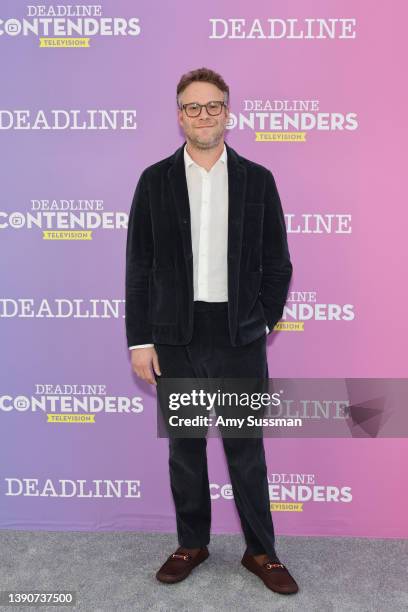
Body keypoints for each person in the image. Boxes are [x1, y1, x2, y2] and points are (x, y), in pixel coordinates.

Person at [125, 67, 298, 595]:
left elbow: (277, 262)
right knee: (185, 447)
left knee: (246, 447)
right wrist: (140, 341)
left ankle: (261, 551)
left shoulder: (257, 179)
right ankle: (192, 543)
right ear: (180, 116)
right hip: (175, 334)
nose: (204, 115)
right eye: (193, 107)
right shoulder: (154, 180)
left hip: (237, 332)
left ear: (227, 111)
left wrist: (261, 320)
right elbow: (139, 265)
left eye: (213, 105)